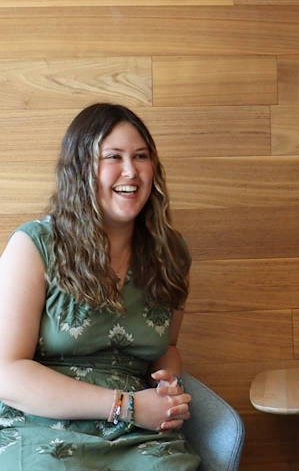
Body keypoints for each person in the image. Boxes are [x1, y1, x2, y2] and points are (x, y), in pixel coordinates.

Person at [0, 103, 200, 470]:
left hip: (134, 434)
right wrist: (126, 405)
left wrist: (169, 387)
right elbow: (6, 372)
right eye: (113, 157)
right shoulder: (34, 246)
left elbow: (166, 347)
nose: (131, 171)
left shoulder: (171, 255)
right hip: (39, 426)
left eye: (141, 156)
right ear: (81, 170)